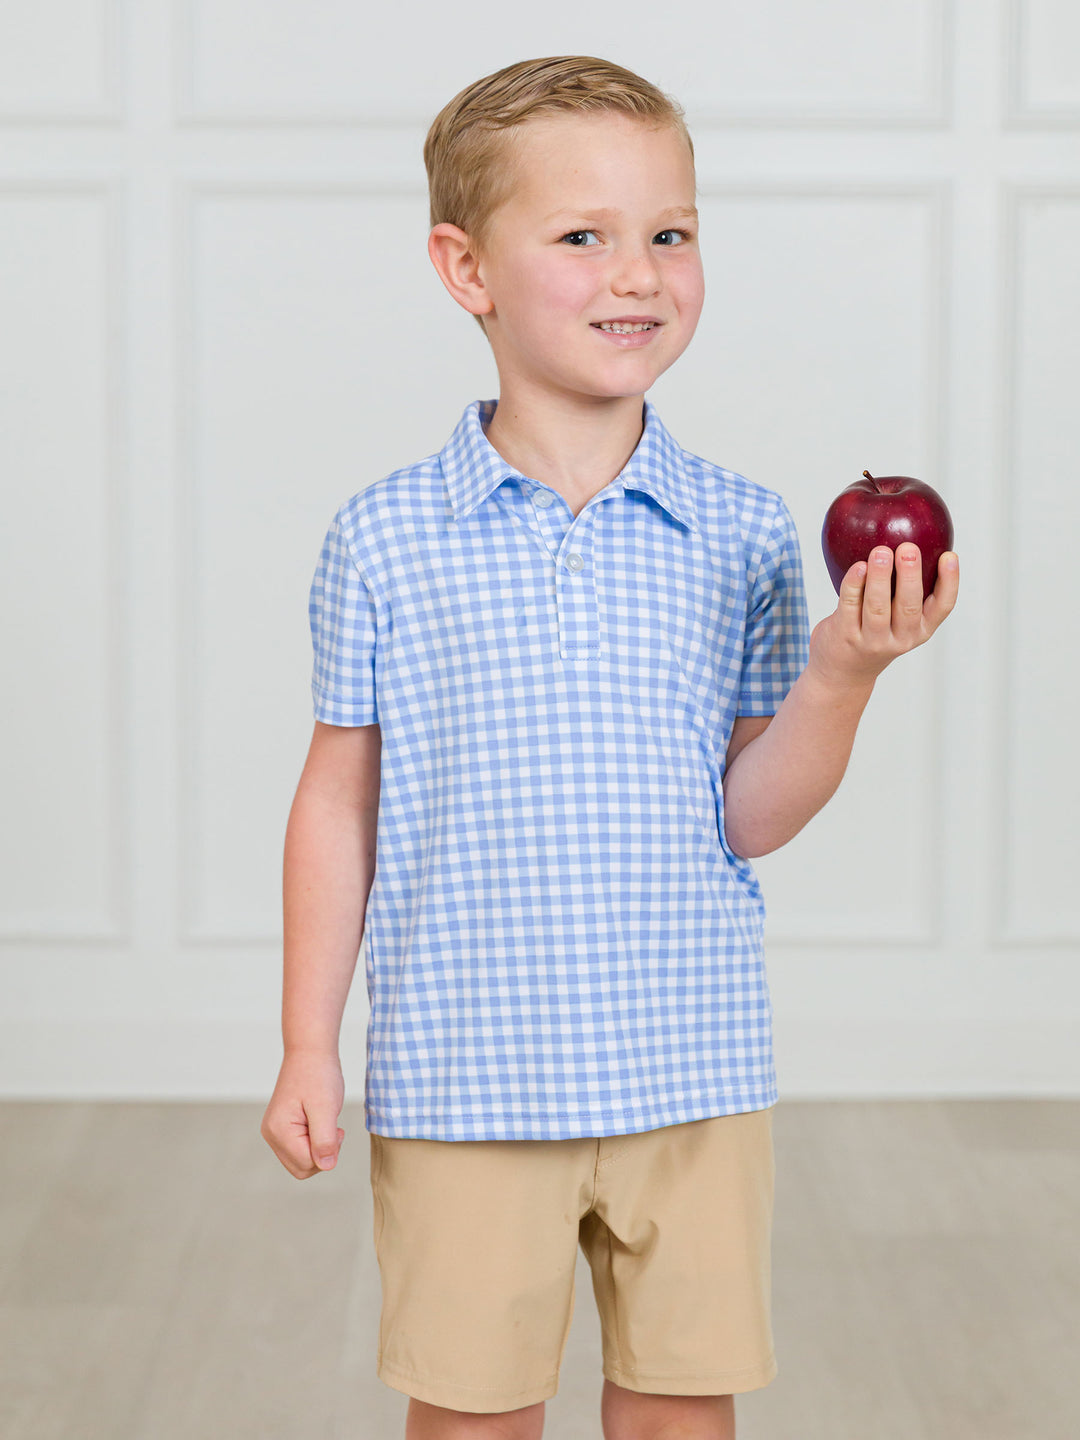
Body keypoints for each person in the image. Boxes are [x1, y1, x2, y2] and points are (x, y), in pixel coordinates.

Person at [260, 54, 960, 1440]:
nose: (637, 271)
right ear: (467, 269)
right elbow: (338, 801)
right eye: (582, 236)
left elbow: (751, 814)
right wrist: (306, 1042)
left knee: (681, 1410)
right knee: (471, 1413)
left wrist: (842, 673)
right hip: (468, 1070)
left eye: (670, 232)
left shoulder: (746, 530)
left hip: (691, 1072)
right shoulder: (388, 538)